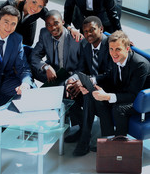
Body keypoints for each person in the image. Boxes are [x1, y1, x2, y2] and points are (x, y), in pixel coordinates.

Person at [74, 30, 150, 156]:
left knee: (118, 109)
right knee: (91, 95)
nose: (114, 53)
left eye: (118, 49)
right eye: (111, 49)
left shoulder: (140, 65)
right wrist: (92, 81)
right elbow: (109, 75)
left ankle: (119, 148)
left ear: (127, 49)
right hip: (122, 92)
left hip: (139, 101)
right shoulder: (116, 57)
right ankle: (95, 140)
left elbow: (133, 95)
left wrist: (108, 96)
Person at [0, 5, 35, 144]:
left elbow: (24, 68)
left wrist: (25, 83)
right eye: (6, 22)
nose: (9, 27)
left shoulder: (16, 39)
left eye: (13, 24)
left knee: (30, 90)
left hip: (4, 80)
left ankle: (8, 122)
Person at [65, 16, 113, 155]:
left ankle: (84, 140)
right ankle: (81, 128)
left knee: (88, 95)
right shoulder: (85, 44)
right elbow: (81, 68)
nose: (88, 34)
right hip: (91, 83)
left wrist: (89, 81)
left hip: (108, 86)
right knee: (68, 89)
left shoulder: (110, 44)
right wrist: (72, 80)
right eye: (85, 31)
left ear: (101, 29)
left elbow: (110, 74)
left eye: (92, 30)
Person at [30, 9, 81, 85]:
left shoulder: (75, 38)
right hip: (52, 74)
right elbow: (34, 56)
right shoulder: (44, 33)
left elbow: (84, 66)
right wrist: (46, 67)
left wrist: (73, 79)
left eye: (56, 23)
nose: (53, 27)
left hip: (70, 76)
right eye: (49, 25)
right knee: (27, 65)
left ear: (63, 22)